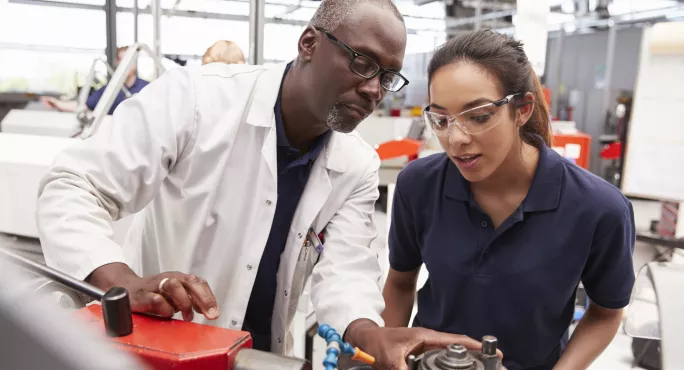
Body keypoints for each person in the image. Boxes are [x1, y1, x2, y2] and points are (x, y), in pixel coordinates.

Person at [35, 1, 488, 368]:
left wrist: (371, 334)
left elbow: (346, 270)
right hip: (159, 345)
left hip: (262, 356)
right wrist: (122, 284)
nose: (374, 90)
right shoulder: (196, 100)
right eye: (362, 63)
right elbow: (73, 185)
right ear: (309, 42)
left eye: (387, 77)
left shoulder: (356, 165)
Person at [382, 29, 635, 370]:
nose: (455, 139)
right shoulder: (419, 186)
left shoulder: (599, 209)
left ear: (523, 109)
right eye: (441, 119)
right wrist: (390, 355)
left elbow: (606, 313)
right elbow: (399, 283)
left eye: (479, 116)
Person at [41, 46, 149, 115]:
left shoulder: (147, 88)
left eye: (129, 60)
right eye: (122, 60)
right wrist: (58, 104)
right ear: (117, 62)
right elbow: (83, 106)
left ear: (135, 62)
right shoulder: (109, 90)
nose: (126, 64)